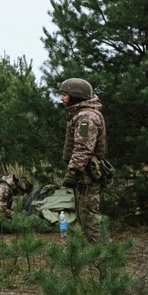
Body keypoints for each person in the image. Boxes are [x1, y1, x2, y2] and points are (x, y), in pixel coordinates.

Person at [59, 77, 108, 239]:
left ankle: (103, 250)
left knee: (90, 218)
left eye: (65, 94)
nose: (62, 98)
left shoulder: (86, 117)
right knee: (84, 218)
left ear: (76, 96)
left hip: (87, 175)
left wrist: (72, 171)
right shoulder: (82, 114)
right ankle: (93, 251)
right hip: (84, 174)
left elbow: (84, 147)